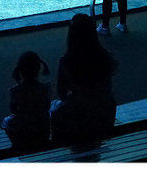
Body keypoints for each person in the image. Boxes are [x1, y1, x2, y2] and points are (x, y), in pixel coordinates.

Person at [49, 13, 118, 146]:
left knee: (53, 110)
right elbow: (108, 86)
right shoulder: (106, 58)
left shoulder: (67, 62)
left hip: (80, 114)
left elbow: (61, 93)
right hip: (105, 112)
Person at [0, 50, 52, 152]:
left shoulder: (16, 90)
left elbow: (13, 110)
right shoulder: (44, 88)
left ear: (20, 71)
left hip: (23, 126)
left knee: (6, 121)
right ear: (38, 69)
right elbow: (47, 106)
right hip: (42, 126)